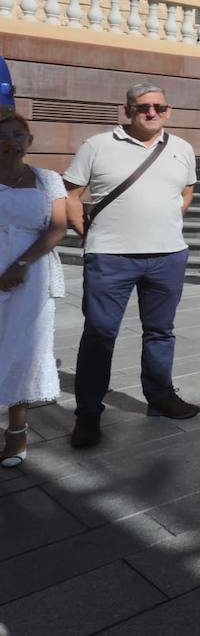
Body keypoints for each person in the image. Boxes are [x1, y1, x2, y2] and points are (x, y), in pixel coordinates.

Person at [63, 83, 199, 448]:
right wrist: (87, 235)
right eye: (143, 108)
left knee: (160, 331)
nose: (151, 113)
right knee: (100, 335)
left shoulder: (182, 149)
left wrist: (164, 220)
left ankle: (160, 396)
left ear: (168, 111)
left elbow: (186, 193)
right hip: (111, 257)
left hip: (168, 256)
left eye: (159, 107)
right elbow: (71, 195)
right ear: (127, 111)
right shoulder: (98, 145)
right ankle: (88, 414)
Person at [0, 112, 69, 468]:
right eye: (2, 136)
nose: (10, 141)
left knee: (24, 347)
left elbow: (58, 229)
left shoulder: (47, 179)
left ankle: (16, 432)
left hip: (31, 275)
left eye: (17, 135)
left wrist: (20, 265)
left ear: (29, 140)